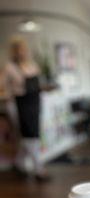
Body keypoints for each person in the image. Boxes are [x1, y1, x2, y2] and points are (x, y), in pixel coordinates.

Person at [4, 36, 47, 180]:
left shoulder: (32, 65)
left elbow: (37, 83)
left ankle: (19, 163)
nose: (22, 52)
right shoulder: (10, 67)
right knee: (30, 135)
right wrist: (8, 93)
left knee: (28, 136)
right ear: (14, 52)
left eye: (24, 49)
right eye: (19, 50)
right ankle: (38, 170)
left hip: (34, 103)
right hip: (20, 105)